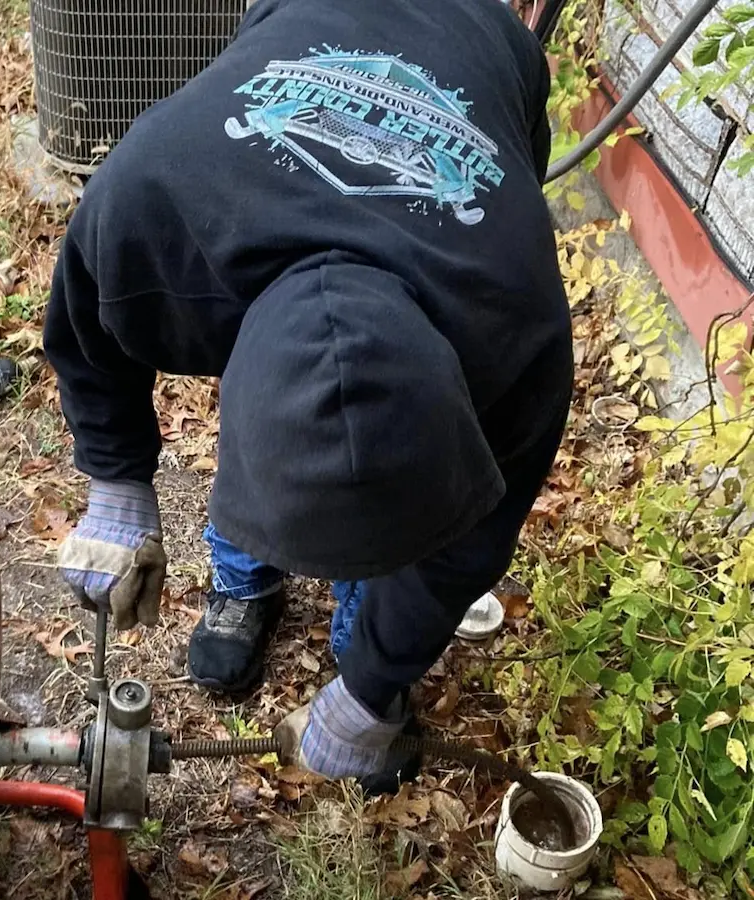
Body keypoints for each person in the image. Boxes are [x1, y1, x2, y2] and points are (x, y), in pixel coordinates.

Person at [43, 0, 572, 791]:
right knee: (300, 411)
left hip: (480, 36)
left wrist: (371, 687)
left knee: (387, 533)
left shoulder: (518, 329)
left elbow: (474, 534)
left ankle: (367, 627)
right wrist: (117, 482)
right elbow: (84, 322)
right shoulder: (152, 202)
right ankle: (245, 576)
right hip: (309, 14)